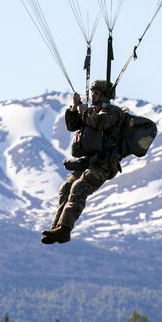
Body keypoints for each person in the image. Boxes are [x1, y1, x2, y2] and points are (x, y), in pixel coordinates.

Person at [42, 79, 124, 244]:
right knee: (66, 187)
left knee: (80, 187)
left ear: (105, 96)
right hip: (88, 161)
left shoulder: (113, 112)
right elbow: (73, 126)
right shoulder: (91, 111)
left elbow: (100, 124)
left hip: (103, 164)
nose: (93, 95)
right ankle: (56, 228)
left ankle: (64, 229)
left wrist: (85, 112)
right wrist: (74, 108)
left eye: (97, 93)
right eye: (92, 92)